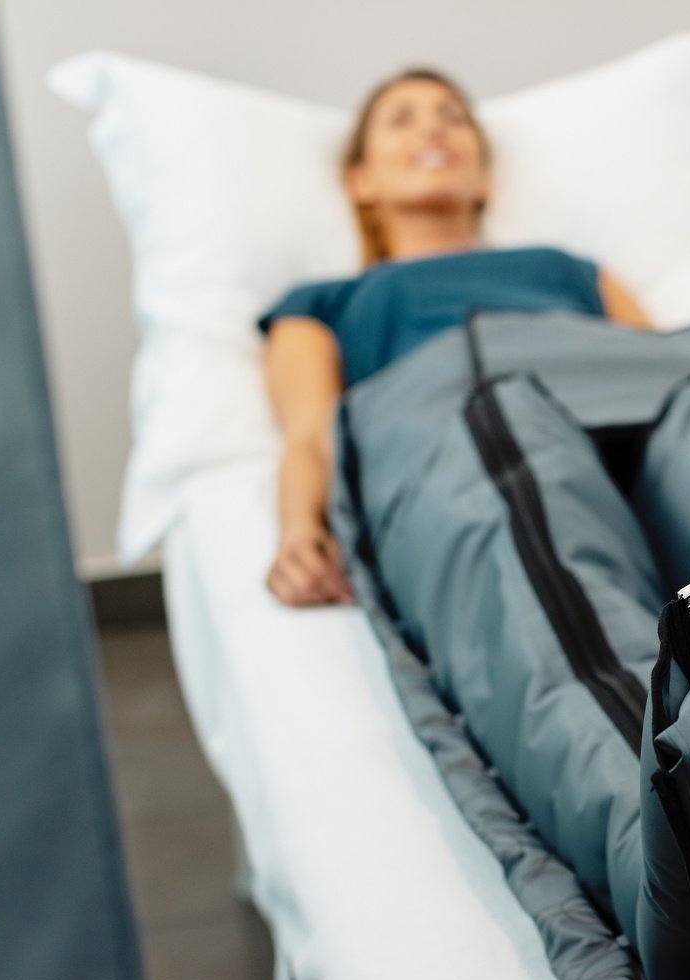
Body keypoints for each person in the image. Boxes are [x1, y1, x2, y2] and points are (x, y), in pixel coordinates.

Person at [259, 68, 651, 607]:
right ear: (361, 182)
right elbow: (310, 437)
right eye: (402, 120)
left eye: (454, 118)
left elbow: (670, 377)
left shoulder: (566, 270)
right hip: (474, 460)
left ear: (485, 179)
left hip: (622, 448)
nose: (432, 131)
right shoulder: (325, 302)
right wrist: (300, 530)